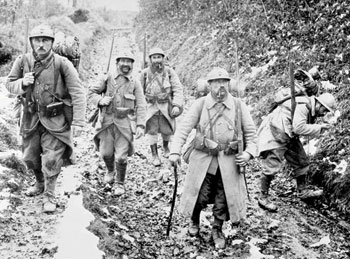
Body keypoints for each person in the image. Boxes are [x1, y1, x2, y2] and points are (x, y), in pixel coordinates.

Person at [169, 67, 257, 249]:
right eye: (216, 83)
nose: (220, 87)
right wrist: (175, 151)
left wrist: (248, 153)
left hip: (229, 161)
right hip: (203, 158)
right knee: (199, 194)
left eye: (224, 82)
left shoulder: (239, 105)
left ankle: (217, 228)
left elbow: (252, 134)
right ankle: (194, 220)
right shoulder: (200, 104)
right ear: (209, 85)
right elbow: (184, 129)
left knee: (224, 197)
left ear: (229, 84)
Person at [5, 24, 86, 213]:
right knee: (30, 157)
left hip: (55, 119)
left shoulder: (62, 63)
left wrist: (79, 121)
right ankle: (39, 183)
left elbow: (77, 91)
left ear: (51, 42)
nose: (41, 44)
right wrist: (22, 83)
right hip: (30, 117)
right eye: (37, 40)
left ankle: (50, 195)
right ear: (31, 42)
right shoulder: (22, 60)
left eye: (45, 40)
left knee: (51, 158)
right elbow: (9, 83)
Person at [257, 92, 337, 212]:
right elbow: (299, 128)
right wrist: (319, 128)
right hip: (276, 131)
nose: (324, 113)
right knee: (271, 165)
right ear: (319, 105)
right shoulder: (303, 106)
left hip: (288, 133)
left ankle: (303, 191)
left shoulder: (310, 106)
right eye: (324, 110)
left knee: (301, 161)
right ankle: (263, 197)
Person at [89, 50, 146, 196]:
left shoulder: (135, 82)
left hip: (124, 123)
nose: (126, 64)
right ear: (117, 63)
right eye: (123, 61)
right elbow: (91, 93)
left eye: (129, 61)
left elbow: (141, 104)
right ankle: (110, 170)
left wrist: (140, 125)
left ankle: (120, 183)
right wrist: (100, 101)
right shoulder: (107, 78)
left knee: (121, 156)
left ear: (132, 65)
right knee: (106, 153)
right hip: (107, 121)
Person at [140, 47, 184, 166]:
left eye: (159, 57)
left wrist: (176, 105)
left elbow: (177, 88)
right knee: (152, 131)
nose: (157, 60)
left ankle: (165, 147)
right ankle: (154, 154)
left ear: (163, 58)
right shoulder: (144, 73)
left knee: (167, 129)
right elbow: (138, 92)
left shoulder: (169, 72)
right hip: (151, 107)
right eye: (154, 58)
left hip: (166, 106)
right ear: (150, 59)